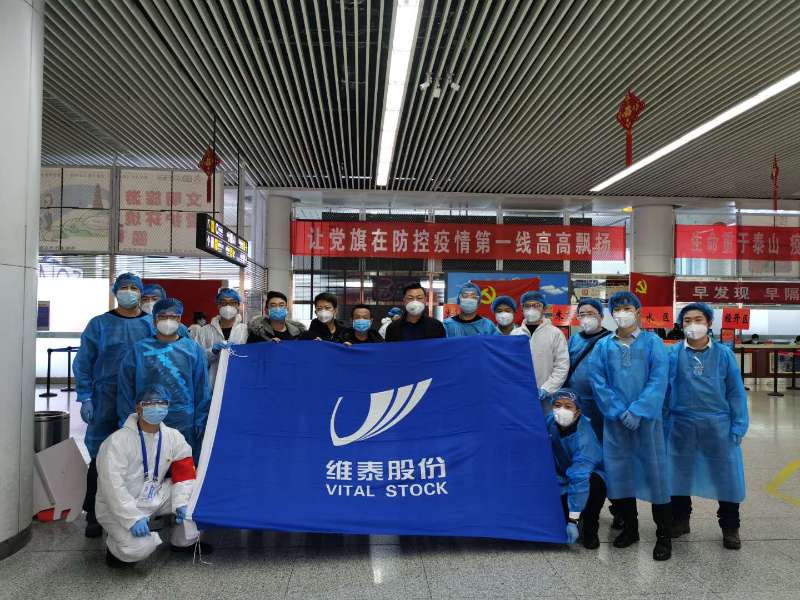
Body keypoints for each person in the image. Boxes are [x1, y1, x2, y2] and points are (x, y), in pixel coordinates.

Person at [589, 291, 672, 561]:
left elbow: (659, 379)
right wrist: (615, 410)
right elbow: (598, 381)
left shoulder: (653, 343)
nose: (622, 313)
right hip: (615, 424)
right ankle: (630, 529)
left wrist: (638, 410)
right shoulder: (603, 346)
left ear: (638, 311)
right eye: (617, 309)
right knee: (620, 475)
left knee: (656, 477)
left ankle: (664, 536)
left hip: (647, 423)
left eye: (627, 308)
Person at [74, 272, 153, 538]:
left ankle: (135, 512)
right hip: (105, 398)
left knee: (139, 458)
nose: (129, 291)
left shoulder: (151, 324)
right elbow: (84, 362)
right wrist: (86, 396)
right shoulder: (99, 324)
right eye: (124, 287)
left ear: (141, 293)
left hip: (140, 399)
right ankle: (94, 515)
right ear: (115, 291)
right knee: (101, 456)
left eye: (134, 287)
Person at [96, 385, 210, 567]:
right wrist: (132, 518)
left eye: (162, 403)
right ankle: (114, 547)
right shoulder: (116, 442)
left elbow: (185, 474)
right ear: (138, 408)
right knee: (140, 547)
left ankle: (183, 542)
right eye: (149, 403)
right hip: (119, 505)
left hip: (154, 496)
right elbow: (112, 487)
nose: (156, 407)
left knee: (199, 496)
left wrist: (182, 503)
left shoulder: (173, 437)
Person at [666, 302, 748, 550]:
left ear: (709, 323)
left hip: (718, 425)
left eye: (698, 320)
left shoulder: (723, 354)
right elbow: (664, 391)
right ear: (681, 325)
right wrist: (662, 424)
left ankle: (730, 527)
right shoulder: (672, 355)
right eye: (687, 321)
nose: (693, 325)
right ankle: (680, 520)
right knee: (678, 473)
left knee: (727, 476)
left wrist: (738, 424)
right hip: (681, 425)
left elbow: (735, 392)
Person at [117, 298, 211, 461]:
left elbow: (202, 388)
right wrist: (127, 421)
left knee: (181, 467)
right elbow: (125, 389)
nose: (168, 321)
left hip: (184, 421)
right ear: (154, 320)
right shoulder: (139, 349)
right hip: (146, 419)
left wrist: (200, 420)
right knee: (147, 465)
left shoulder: (193, 350)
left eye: (173, 316)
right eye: (162, 316)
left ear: (179, 319)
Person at [546, 390, 607, 550]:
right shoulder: (551, 421)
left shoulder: (584, 439)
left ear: (578, 411)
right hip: (561, 478)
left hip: (587, 477)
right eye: (557, 405)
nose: (561, 410)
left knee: (595, 485)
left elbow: (579, 478)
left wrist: (572, 521)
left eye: (568, 406)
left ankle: (590, 527)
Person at [511, 291, 569, 406]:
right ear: (522, 309)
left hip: (547, 397)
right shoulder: (514, 334)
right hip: (519, 393)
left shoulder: (555, 333)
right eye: (527, 306)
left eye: (536, 305)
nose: (531, 309)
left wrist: (547, 388)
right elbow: (510, 365)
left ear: (544, 309)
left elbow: (562, 366)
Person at [565, 298, 611, 442]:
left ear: (601, 316)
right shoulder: (573, 340)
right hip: (577, 399)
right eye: (582, 314)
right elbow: (565, 366)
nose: (586, 318)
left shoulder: (610, 340)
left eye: (590, 314)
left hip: (603, 401)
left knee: (601, 438)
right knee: (580, 438)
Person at [197, 288, 249, 391]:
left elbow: (252, 359)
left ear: (238, 305)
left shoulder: (246, 330)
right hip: (212, 385)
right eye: (224, 303)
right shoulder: (204, 331)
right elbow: (196, 360)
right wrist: (212, 351)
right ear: (218, 305)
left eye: (233, 303)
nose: (228, 306)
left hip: (240, 383)